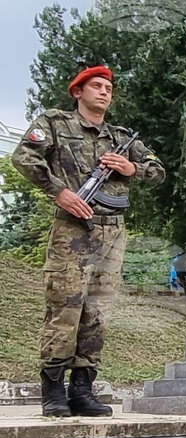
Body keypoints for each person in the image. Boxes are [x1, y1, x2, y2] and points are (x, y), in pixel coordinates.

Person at [12, 65, 166, 417]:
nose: (104, 92)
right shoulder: (55, 122)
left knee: (97, 312)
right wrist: (60, 193)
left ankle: (83, 388)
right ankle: (52, 389)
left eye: (108, 88)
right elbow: (24, 157)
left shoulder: (120, 136)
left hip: (113, 231)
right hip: (73, 230)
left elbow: (156, 170)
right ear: (77, 91)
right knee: (64, 308)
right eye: (96, 86)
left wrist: (132, 168)